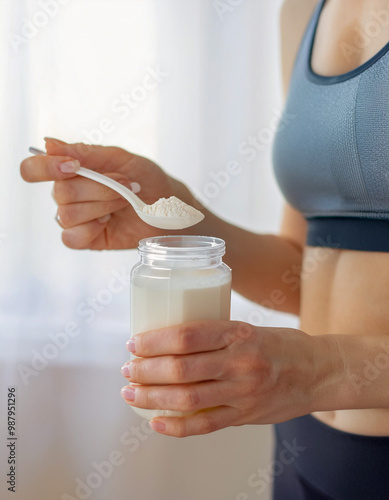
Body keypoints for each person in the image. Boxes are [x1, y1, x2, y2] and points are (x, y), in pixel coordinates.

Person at [20, 0, 389, 498]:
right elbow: (304, 273)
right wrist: (177, 224)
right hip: (308, 450)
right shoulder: (303, 12)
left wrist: (325, 370)